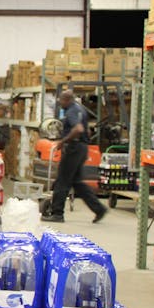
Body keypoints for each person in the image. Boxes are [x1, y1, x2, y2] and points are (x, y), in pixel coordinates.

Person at [41, 89, 107, 224]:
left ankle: (57, 213)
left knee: (62, 181)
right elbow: (87, 129)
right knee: (77, 182)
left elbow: (78, 129)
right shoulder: (80, 109)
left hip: (74, 148)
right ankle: (99, 209)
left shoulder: (71, 111)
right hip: (81, 148)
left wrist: (63, 141)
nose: (60, 103)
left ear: (67, 99)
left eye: (61, 100)